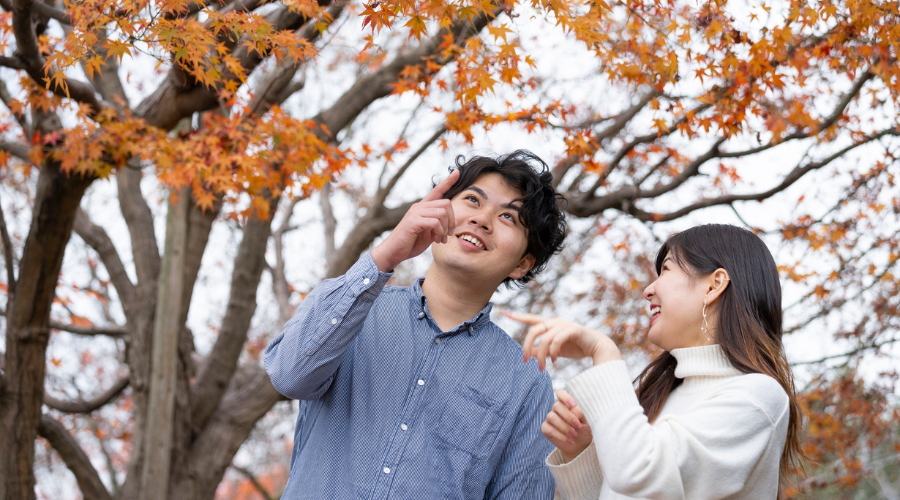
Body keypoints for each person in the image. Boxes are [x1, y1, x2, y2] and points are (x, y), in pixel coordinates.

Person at [264, 150, 568, 499]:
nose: (482, 219)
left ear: (522, 264)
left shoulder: (527, 382)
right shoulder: (353, 307)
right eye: (472, 200)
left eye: (509, 218)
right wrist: (386, 255)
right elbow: (288, 375)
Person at [508, 224, 804, 499]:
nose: (649, 289)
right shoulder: (663, 395)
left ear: (714, 285)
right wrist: (582, 450)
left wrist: (604, 351)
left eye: (666, 269)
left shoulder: (758, 398)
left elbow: (641, 472)